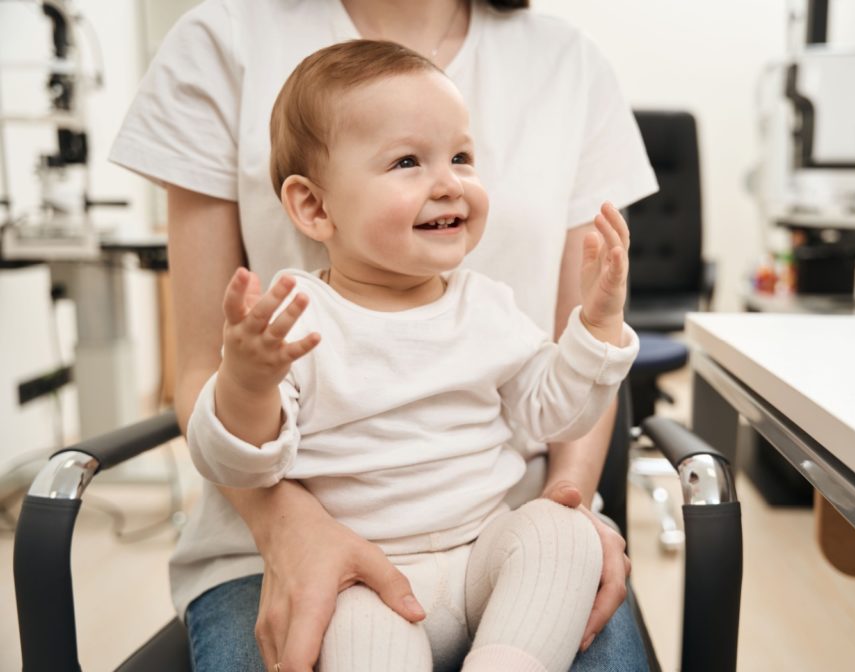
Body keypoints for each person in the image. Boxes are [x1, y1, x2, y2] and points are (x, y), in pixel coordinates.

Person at [110, 1, 658, 670]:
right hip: (348, 565)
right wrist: (246, 384)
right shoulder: (301, 323)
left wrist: (596, 329)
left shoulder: (488, 306)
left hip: (489, 541)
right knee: (357, 630)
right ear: (312, 206)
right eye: (408, 163)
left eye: (461, 156)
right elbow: (238, 453)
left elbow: (552, 410)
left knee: (560, 536)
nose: (449, 183)